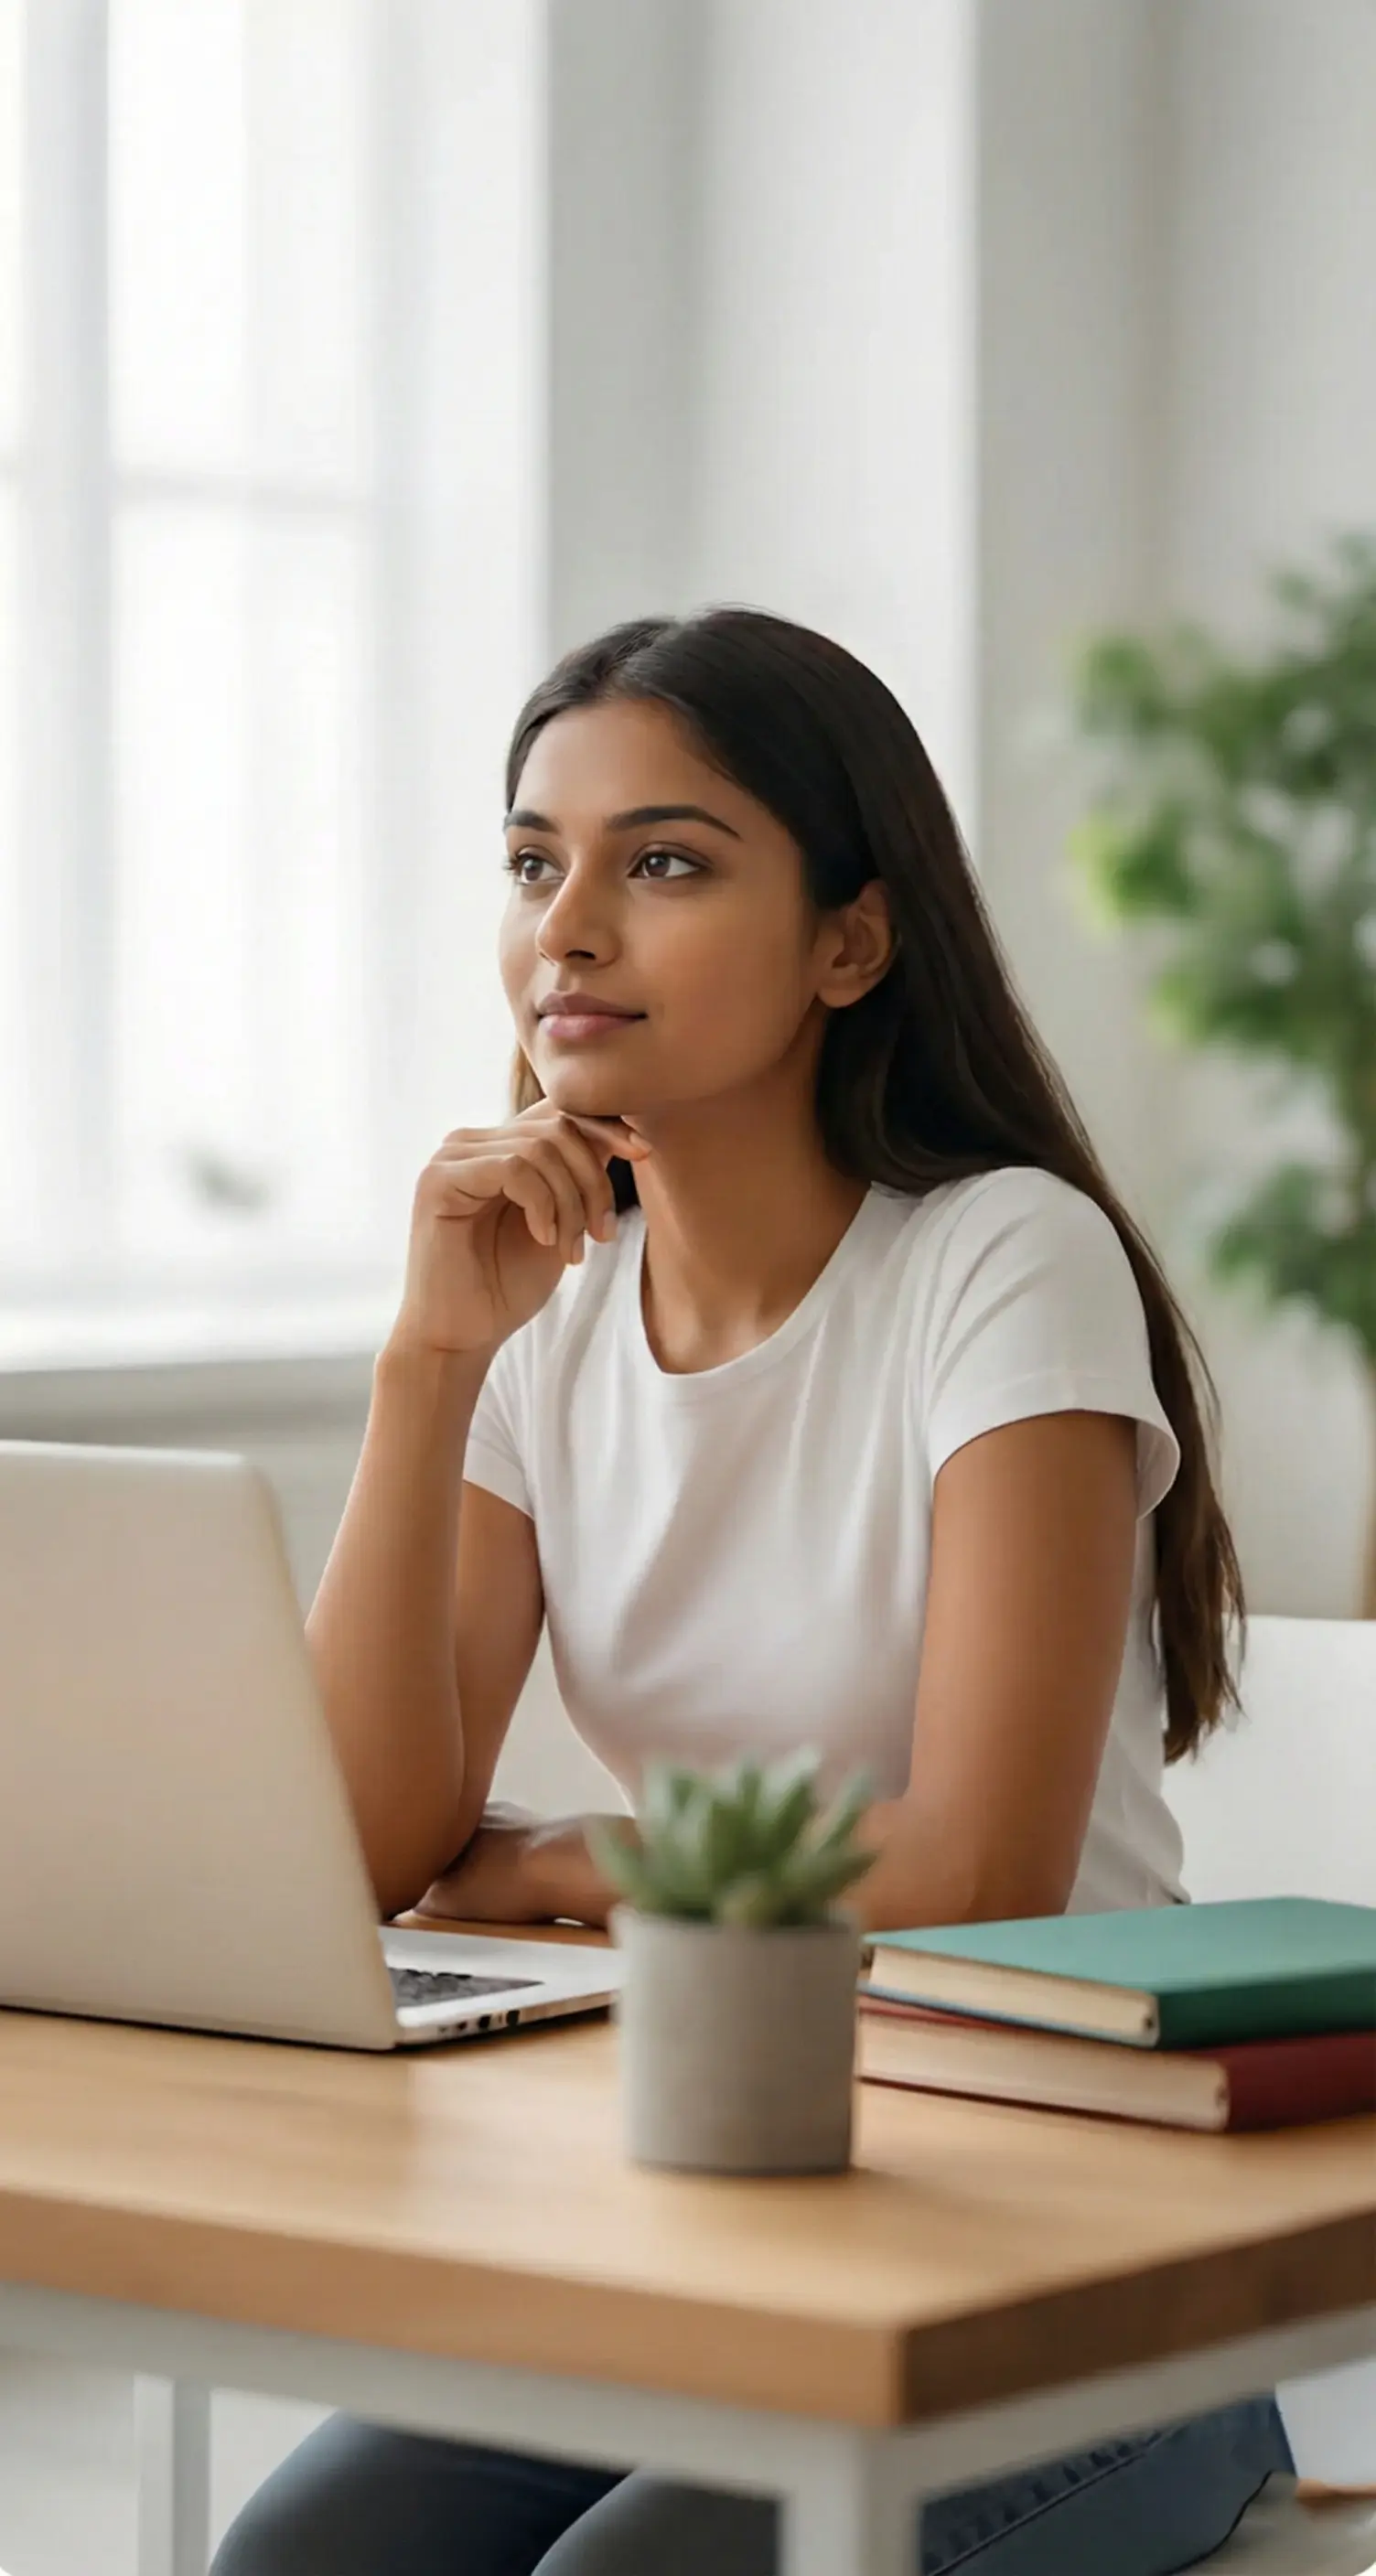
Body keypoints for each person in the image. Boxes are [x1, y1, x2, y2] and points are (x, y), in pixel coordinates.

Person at [213, 611, 1291, 2575]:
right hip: (717, 2215)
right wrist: (425, 1359)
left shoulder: (997, 1262)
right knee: (298, 2563)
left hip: (1071, 2269)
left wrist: (560, 1864)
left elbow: (974, 1871)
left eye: (666, 860)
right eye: (536, 861)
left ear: (849, 944)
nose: (571, 924)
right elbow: (363, 1842)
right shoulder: (537, 1322)